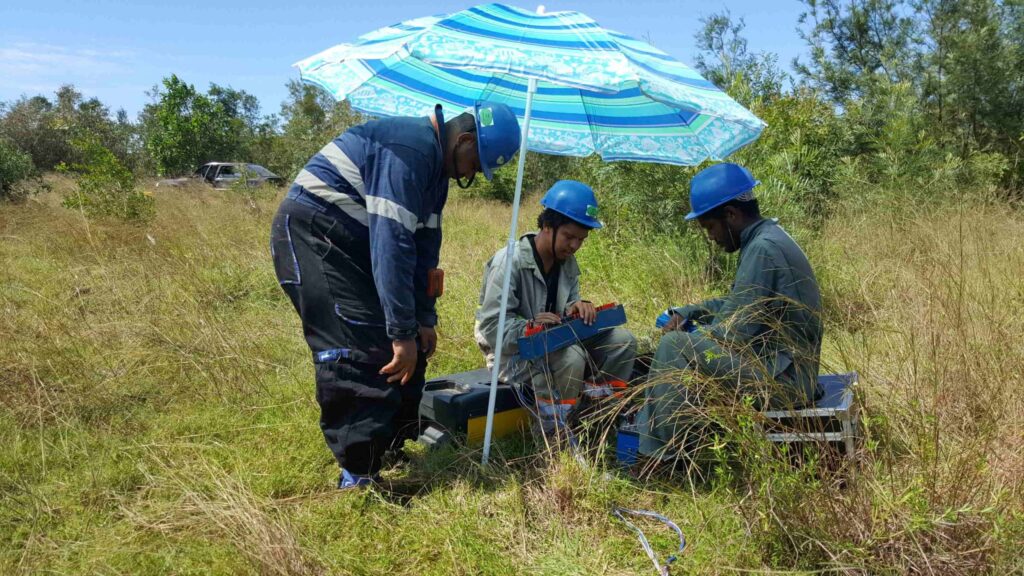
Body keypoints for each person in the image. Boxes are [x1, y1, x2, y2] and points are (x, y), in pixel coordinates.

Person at [270, 101, 521, 488]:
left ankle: (389, 447)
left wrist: (422, 320)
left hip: (356, 243)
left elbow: (424, 249)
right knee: (361, 345)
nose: (470, 175)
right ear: (464, 140)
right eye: (475, 164)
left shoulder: (436, 171)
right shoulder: (411, 150)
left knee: (411, 351)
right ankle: (359, 476)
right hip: (314, 234)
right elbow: (391, 245)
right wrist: (400, 332)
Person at [637, 162, 823, 459]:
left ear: (731, 215)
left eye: (710, 227)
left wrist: (691, 333)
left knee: (673, 346)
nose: (711, 236)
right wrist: (690, 312)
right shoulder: (768, 238)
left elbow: (733, 335)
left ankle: (662, 457)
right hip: (788, 372)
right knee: (684, 344)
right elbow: (735, 302)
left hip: (783, 384)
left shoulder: (762, 249)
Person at [474, 180, 637, 441]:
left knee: (622, 341)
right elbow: (491, 328)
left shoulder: (567, 263)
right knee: (571, 357)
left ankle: (597, 420)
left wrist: (578, 308)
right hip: (511, 357)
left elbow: (565, 310)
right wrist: (529, 326)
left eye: (581, 240)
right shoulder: (509, 262)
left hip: (558, 344)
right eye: (569, 237)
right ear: (547, 226)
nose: (574, 246)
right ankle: (554, 435)